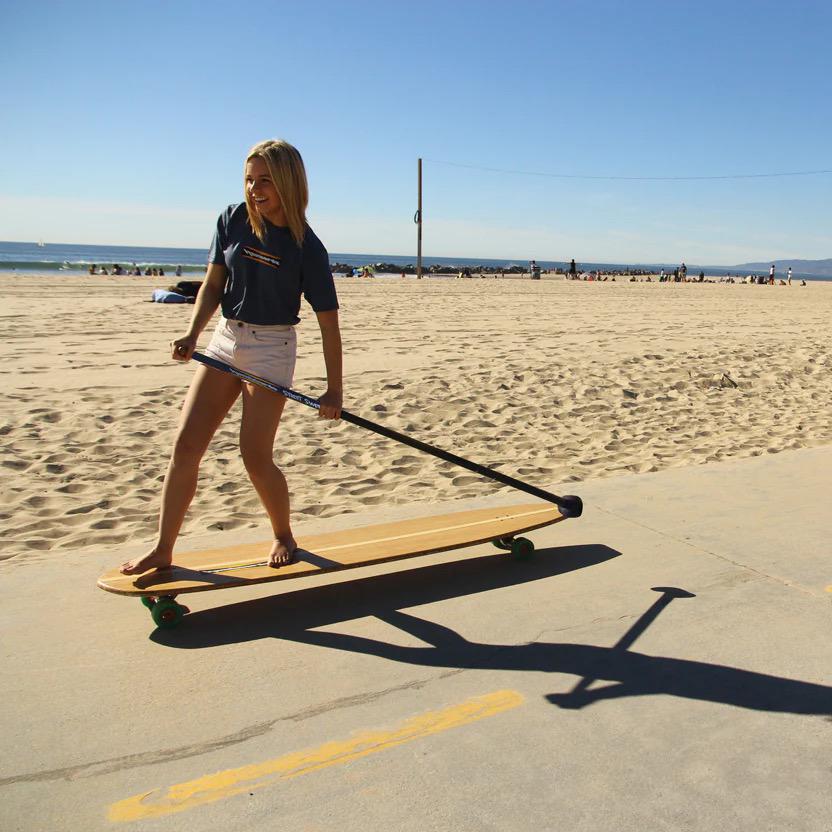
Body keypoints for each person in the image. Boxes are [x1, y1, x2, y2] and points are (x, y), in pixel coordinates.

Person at [120, 139, 342, 576]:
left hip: (271, 348)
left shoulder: (307, 248)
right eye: (249, 179)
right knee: (185, 446)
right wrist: (191, 332)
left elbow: (328, 323)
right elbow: (213, 284)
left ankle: (283, 533)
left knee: (254, 456)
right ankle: (163, 548)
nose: (254, 189)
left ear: (288, 184)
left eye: (265, 180)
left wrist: (334, 389)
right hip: (226, 339)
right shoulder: (232, 218)